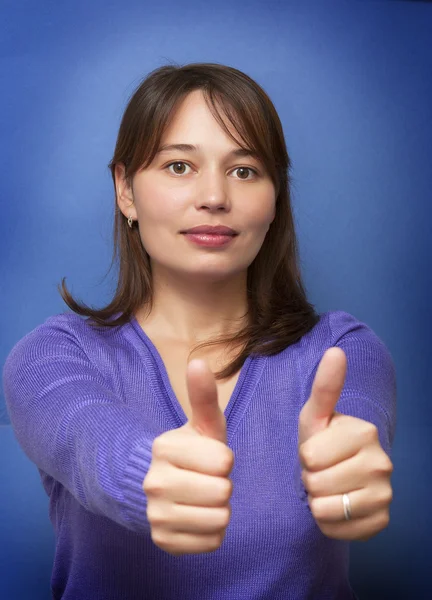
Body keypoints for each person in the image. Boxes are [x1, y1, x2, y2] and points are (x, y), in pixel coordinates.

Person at [2, 62, 396, 600]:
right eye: (179, 166)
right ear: (125, 191)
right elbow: (86, 439)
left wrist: (348, 481)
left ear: (275, 198)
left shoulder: (343, 352)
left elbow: (358, 432)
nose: (214, 196)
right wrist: (147, 477)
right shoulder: (50, 357)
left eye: (244, 170)